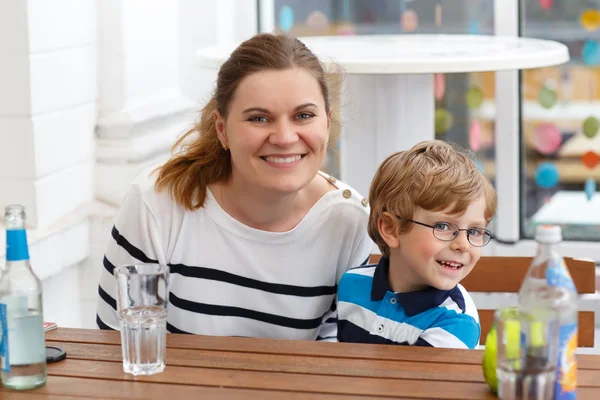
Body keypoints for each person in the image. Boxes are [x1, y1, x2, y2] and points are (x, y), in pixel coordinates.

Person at [96, 33, 372, 341]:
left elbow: (339, 355)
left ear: (327, 122)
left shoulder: (350, 220)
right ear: (222, 130)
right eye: (259, 118)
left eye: (303, 116)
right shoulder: (156, 204)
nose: (284, 137)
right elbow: (119, 345)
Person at [336, 140, 497, 349]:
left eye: (474, 231)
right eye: (443, 226)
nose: (463, 245)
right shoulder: (351, 284)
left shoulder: (455, 323)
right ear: (391, 229)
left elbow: (414, 383)